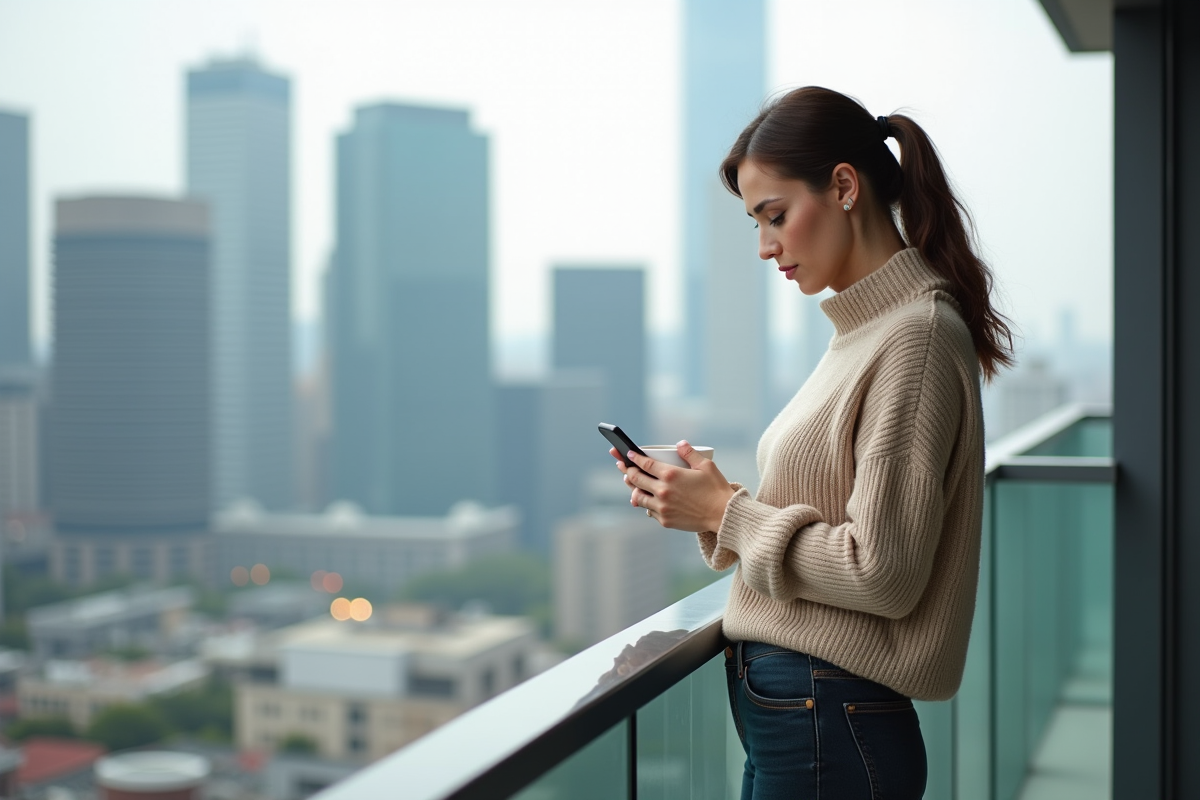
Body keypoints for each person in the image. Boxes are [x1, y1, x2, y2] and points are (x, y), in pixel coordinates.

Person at [611, 86, 1012, 800]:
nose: (766, 247)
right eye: (755, 224)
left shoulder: (913, 338)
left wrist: (725, 514)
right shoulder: (867, 331)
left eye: (775, 216)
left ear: (844, 187)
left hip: (828, 717)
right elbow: (837, 518)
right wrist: (716, 501)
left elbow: (884, 571)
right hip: (807, 718)